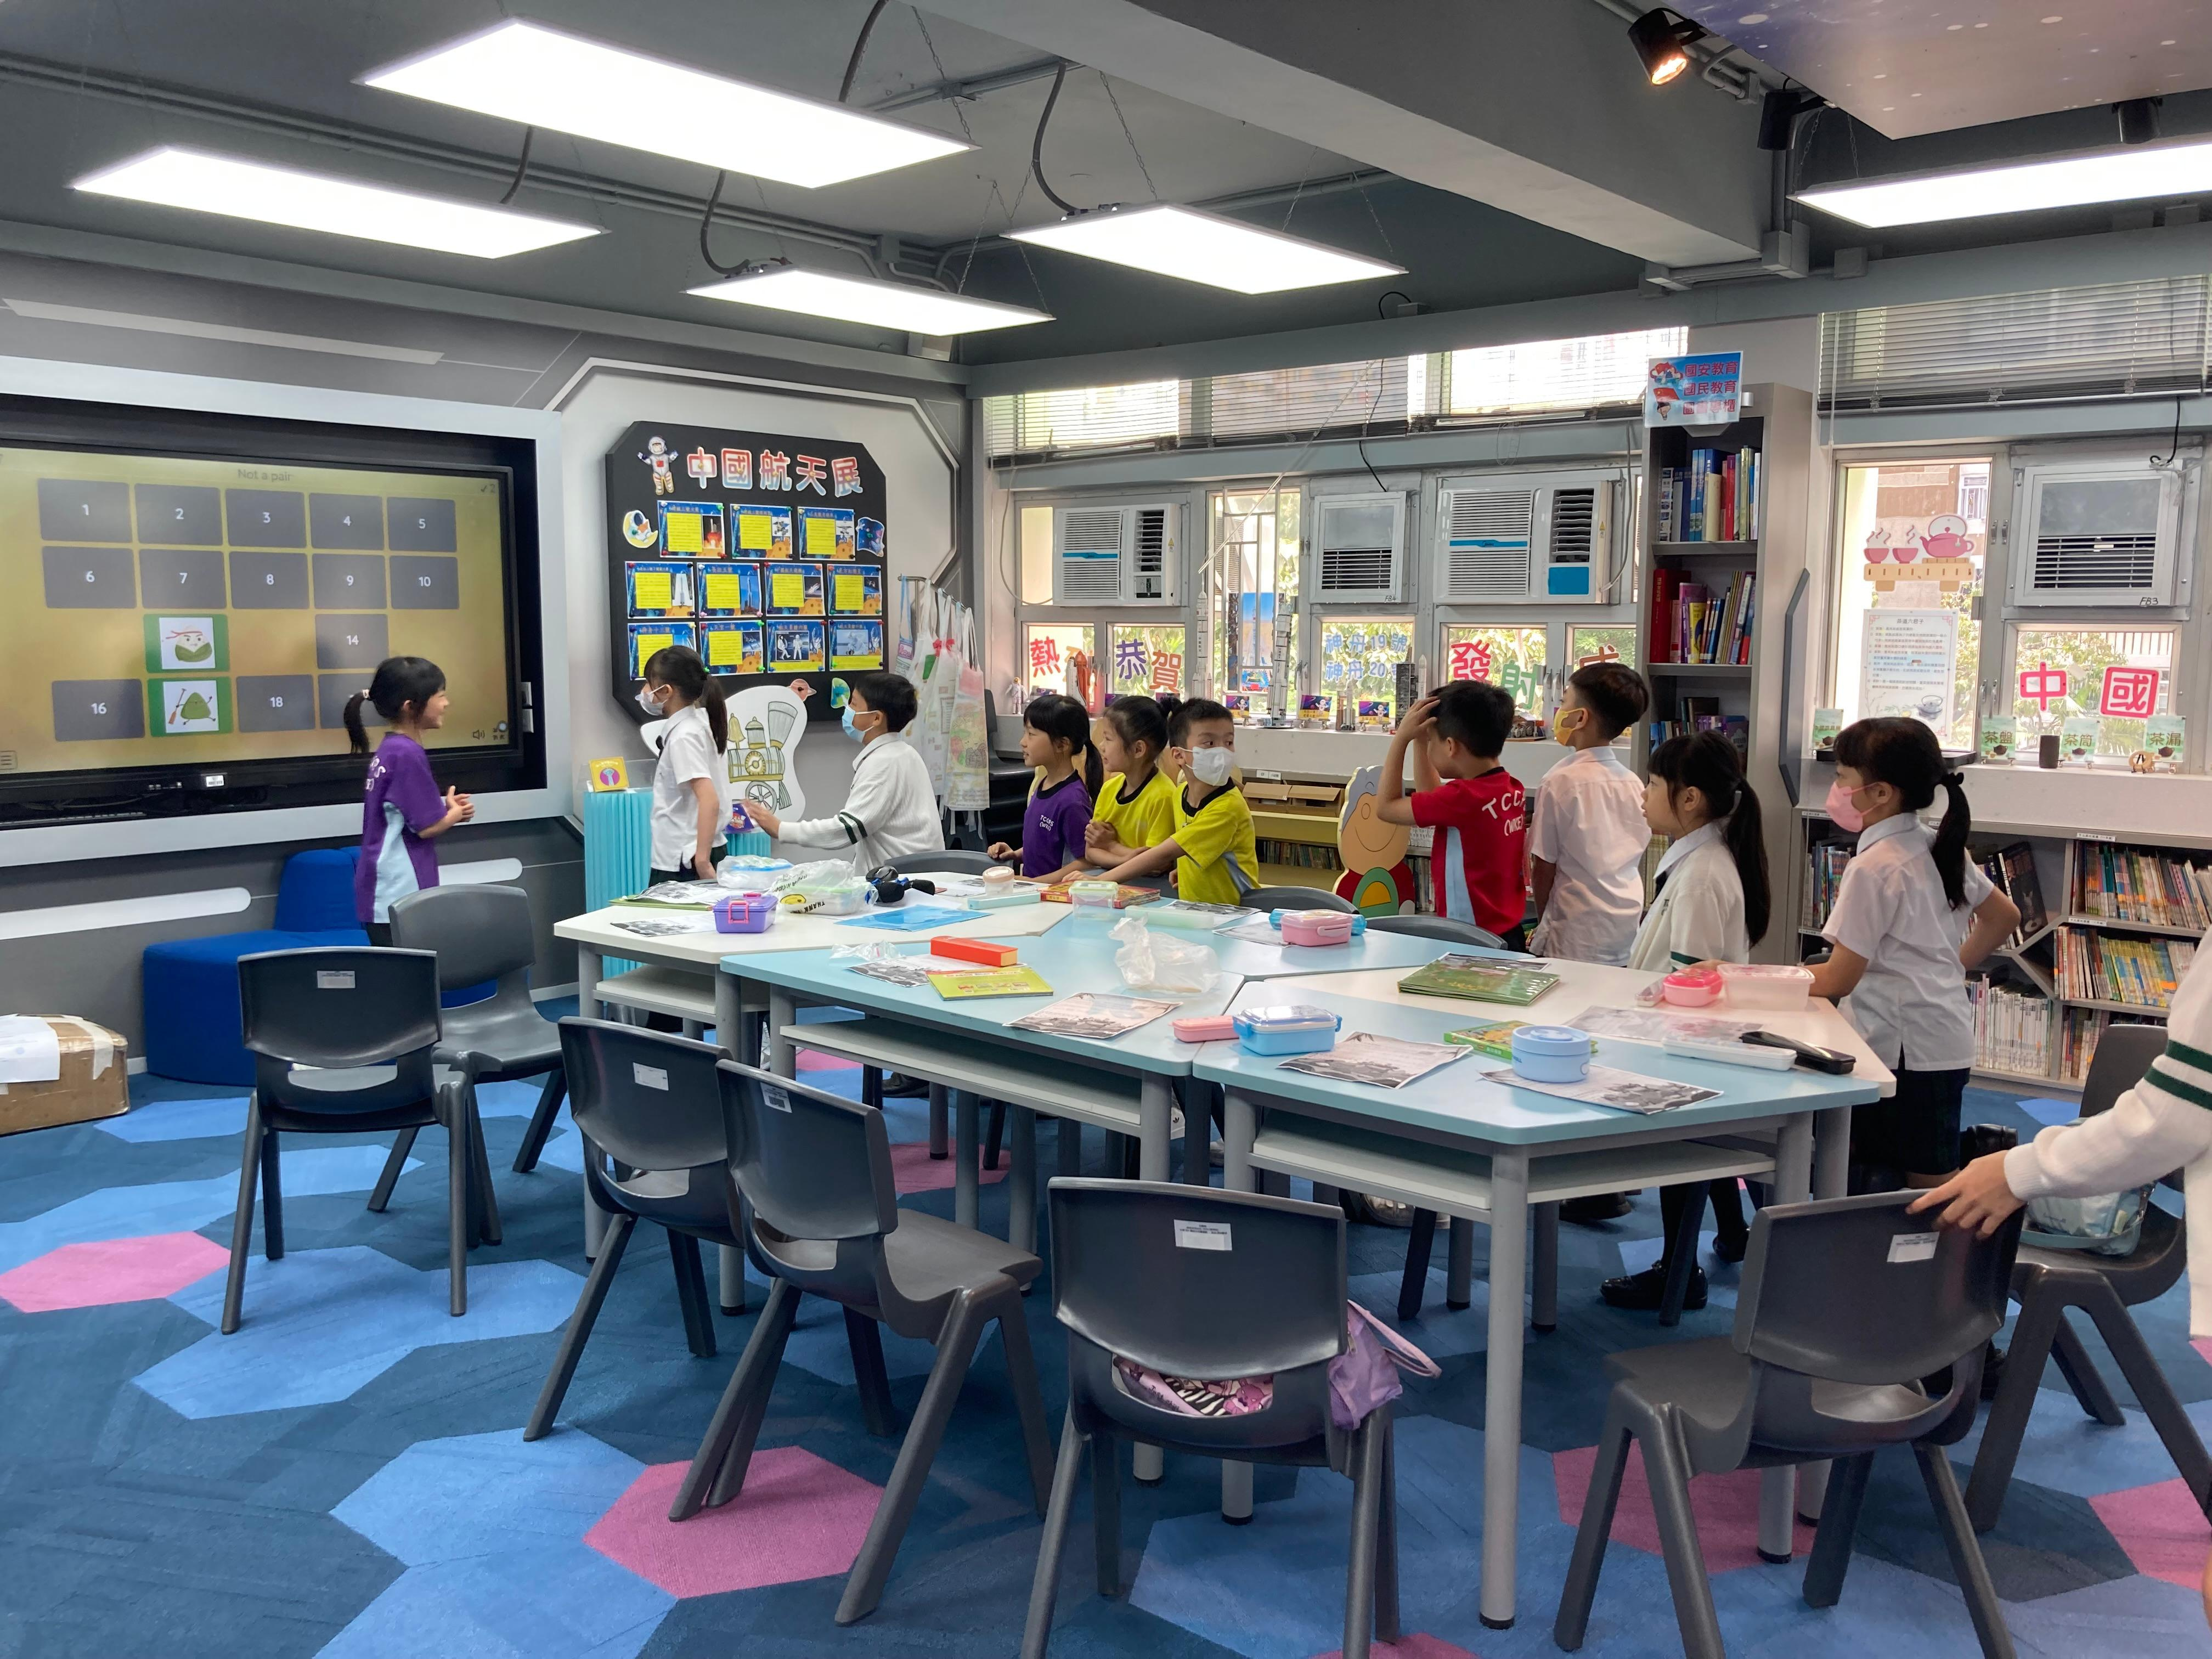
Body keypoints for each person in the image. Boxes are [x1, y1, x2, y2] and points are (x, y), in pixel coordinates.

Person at [1810, 718, 2020, 1190]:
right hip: (1936, 1037)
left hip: (1906, 1049)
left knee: (1927, 1184)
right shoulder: (1935, 845)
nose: (1836, 789)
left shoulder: (1874, 867)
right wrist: (1946, 969)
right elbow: (2003, 917)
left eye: (1842, 777)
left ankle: (1969, 1230)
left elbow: (1838, 979)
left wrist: (1761, 981)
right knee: (1898, 1170)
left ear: (1881, 792)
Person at [1601, 732, 1770, 1311]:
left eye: (1652, 785)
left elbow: (1690, 985)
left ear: (1690, 798)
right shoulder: (1703, 858)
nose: (1643, 796)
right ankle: (1731, 1232)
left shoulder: (1701, 874)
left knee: (1683, 1154)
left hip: (1679, 1048)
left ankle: (1678, 1272)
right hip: (1682, 1040)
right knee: (1701, 1150)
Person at [1373, 680, 1527, 948]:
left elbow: (1386, 807)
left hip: (1472, 937)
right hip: (1508, 932)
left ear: (1451, 746)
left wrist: (1401, 740)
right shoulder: (1510, 788)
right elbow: (1432, 798)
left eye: (1432, 742)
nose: (1429, 748)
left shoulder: (1463, 798)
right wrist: (1421, 742)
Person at [745, 671, 943, 871]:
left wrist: (781, 829)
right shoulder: (904, 754)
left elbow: (848, 828)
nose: (847, 710)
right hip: (911, 872)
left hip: (905, 879)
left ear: (876, 718)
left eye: (854, 704)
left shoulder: (884, 763)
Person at [1528, 662, 1652, 967]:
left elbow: (1544, 866)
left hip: (1574, 935)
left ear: (1580, 718)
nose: (1559, 710)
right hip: (1625, 930)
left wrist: (1544, 923)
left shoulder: (1559, 781)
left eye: (1564, 702)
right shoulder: (1633, 782)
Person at [345, 656, 473, 946]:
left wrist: (444, 807)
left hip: (385, 888)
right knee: (409, 970)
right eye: (440, 696)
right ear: (410, 706)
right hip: (399, 890)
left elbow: (400, 811)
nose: (446, 704)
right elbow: (427, 827)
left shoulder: (392, 749)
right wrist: (456, 813)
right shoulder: (407, 754)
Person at [1093, 697, 1257, 904]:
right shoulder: (1180, 795)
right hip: (1197, 908)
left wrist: (1099, 882)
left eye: (1229, 742)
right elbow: (1192, 847)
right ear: (1179, 755)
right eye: (1210, 743)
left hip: (1234, 911)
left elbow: (1164, 853)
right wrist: (1186, 869)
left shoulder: (1228, 808)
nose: (1222, 752)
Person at [636, 645, 730, 887]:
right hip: (691, 852)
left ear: (666, 691)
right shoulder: (698, 724)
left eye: (648, 683)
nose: (644, 691)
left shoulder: (684, 736)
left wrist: (702, 862)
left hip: (685, 859)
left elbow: (709, 799)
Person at [986, 692, 1100, 879]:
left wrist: (1035, 883)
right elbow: (1047, 844)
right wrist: (1016, 854)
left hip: (1051, 894)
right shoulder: (1044, 783)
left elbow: (1086, 861)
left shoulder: (1072, 801)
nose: (1023, 742)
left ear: (1062, 745)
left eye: (1031, 734)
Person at [1066, 696, 1179, 879]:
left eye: (1108, 739)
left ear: (1138, 750)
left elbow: (1157, 865)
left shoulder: (1163, 796)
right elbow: (1091, 852)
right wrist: (1126, 858)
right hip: (1112, 878)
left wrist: (1111, 846)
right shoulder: (1109, 789)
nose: (1102, 746)